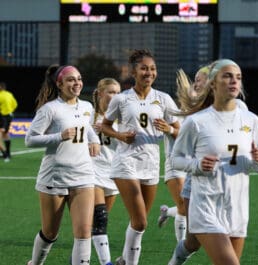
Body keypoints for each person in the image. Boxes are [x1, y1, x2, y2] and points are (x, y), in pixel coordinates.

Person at [169, 59, 258, 265]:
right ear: (213, 84)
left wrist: (257, 161)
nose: (234, 81)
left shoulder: (251, 120)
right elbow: (175, 159)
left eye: (238, 77)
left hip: (237, 207)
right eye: (227, 76)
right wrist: (197, 165)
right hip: (205, 203)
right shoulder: (196, 121)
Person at [101, 49, 180, 265]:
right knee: (141, 221)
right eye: (144, 68)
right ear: (133, 72)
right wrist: (120, 136)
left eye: (152, 68)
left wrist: (169, 129)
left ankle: (123, 260)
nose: (149, 72)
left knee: (138, 224)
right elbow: (105, 126)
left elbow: (180, 130)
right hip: (126, 163)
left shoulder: (163, 99)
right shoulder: (121, 99)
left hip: (151, 164)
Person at [25, 64, 100, 265]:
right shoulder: (50, 109)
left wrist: (95, 140)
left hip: (83, 175)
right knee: (50, 232)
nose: (77, 83)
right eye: (71, 79)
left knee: (84, 232)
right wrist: (60, 136)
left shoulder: (87, 107)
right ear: (59, 84)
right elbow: (30, 139)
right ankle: (35, 263)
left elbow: (88, 128)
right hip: (54, 177)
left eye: (79, 78)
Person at [157, 66, 210, 237]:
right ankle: (181, 247)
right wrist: (170, 130)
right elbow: (183, 136)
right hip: (175, 163)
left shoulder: (204, 114)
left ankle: (167, 212)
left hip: (193, 166)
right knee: (183, 207)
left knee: (189, 207)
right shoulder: (174, 114)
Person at [90, 78, 121, 265]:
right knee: (100, 218)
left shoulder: (122, 118)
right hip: (92, 172)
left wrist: (112, 132)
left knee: (93, 225)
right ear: (101, 93)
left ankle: (75, 259)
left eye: (118, 92)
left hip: (113, 173)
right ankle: (106, 263)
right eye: (111, 92)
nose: (115, 96)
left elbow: (128, 142)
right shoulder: (89, 116)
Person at [0, 81, 18, 162]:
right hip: (9, 116)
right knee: (5, 134)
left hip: (2, 116)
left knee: (3, 134)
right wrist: (10, 111)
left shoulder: (0, 95)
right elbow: (15, 104)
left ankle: (5, 154)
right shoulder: (9, 94)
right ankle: (7, 153)